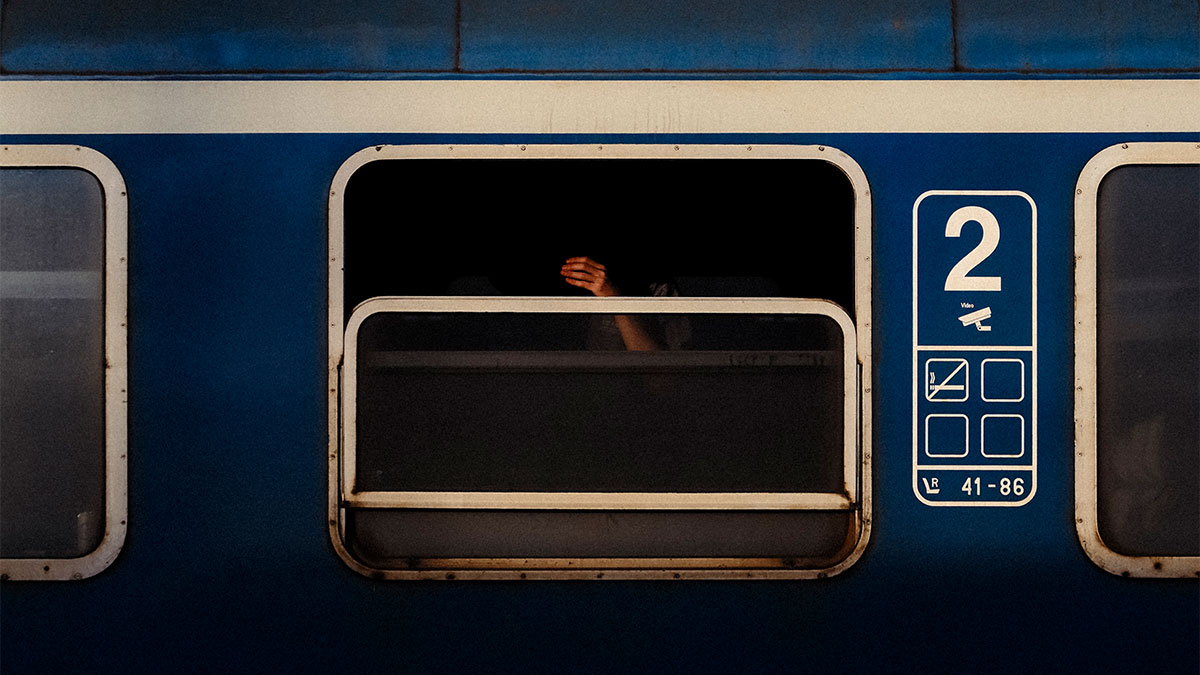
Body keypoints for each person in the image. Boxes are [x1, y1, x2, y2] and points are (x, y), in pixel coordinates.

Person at [559, 256, 688, 351]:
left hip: (632, 386)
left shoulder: (661, 288)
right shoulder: (573, 278)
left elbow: (662, 380)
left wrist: (614, 299)